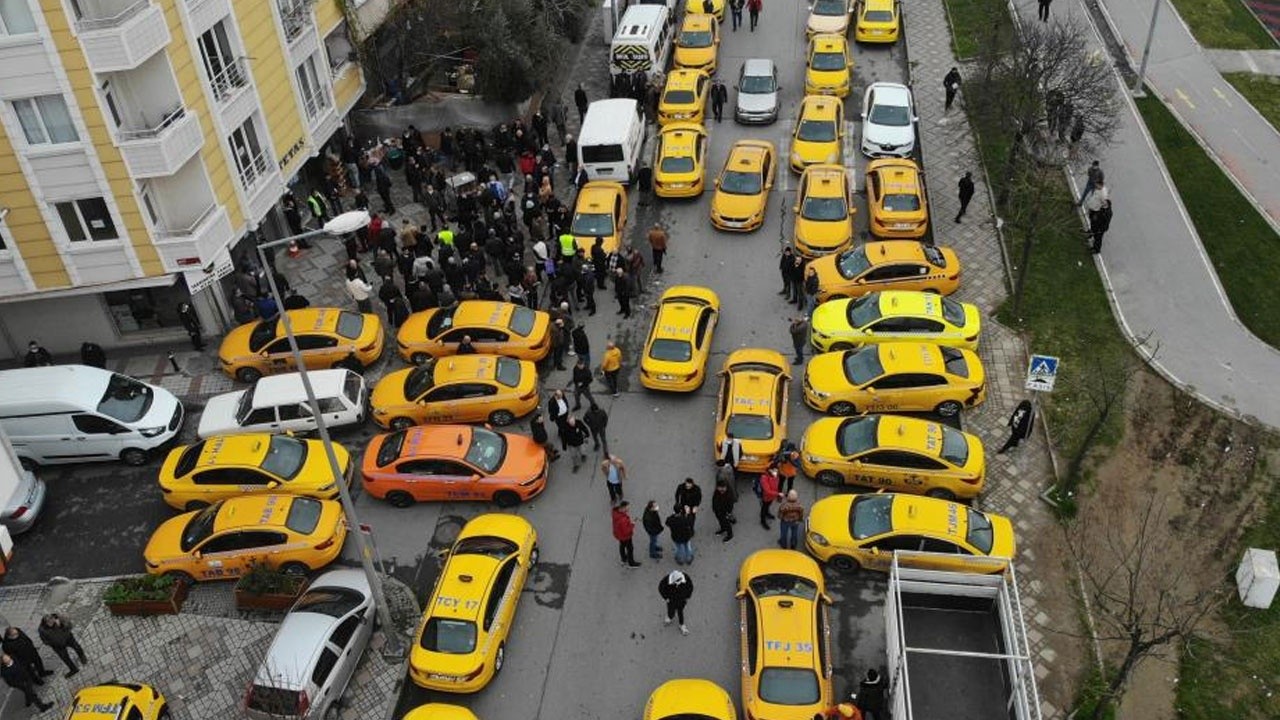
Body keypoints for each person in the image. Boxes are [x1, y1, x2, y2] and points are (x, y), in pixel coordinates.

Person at [38, 614, 86, 678]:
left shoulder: (60, 618)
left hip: (68, 639)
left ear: (53, 618)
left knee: (77, 647)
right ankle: (73, 669)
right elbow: (44, 640)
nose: (51, 623)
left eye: (52, 620)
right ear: (45, 623)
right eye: (49, 622)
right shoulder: (42, 629)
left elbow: (70, 626)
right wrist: (53, 643)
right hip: (58, 646)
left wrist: (61, 625)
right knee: (65, 658)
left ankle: (82, 656)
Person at [658, 570, 693, 635]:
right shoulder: (667, 580)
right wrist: (666, 598)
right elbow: (660, 588)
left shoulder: (685, 577)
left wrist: (688, 596)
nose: (678, 583)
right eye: (676, 582)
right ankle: (670, 617)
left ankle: (681, 624)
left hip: (682, 600)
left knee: (680, 612)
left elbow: (690, 587)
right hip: (671, 600)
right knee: (671, 610)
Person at [612, 501, 642, 568]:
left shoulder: (616, 513)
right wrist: (632, 524)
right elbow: (627, 531)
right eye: (627, 508)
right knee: (630, 548)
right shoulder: (622, 519)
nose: (628, 509)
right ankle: (631, 563)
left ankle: (624, 558)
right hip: (625, 536)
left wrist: (628, 523)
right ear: (623, 508)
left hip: (619, 534)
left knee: (622, 545)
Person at [711, 477, 737, 542]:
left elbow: (730, 505)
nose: (721, 489)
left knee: (727, 523)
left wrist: (728, 513)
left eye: (723, 488)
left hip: (725, 512)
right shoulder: (717, 492)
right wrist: (714, 508)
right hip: (718, 511)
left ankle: (730, 534)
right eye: (720, 487)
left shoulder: (729, 494)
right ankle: (723, 529)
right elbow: (714, 499)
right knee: (720, 521)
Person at [755, 465, 780, 529]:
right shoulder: (764, 478)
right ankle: (762, 521)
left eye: (777, 471)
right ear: (770, 470)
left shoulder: (775, 475)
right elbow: (767, 490)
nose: (776, 472)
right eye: (775, 471)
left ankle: (767, 513)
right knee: (764, 507)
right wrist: (778, 494)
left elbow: (776, 484)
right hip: (765, 497)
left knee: (768, 506)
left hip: (771, 496)